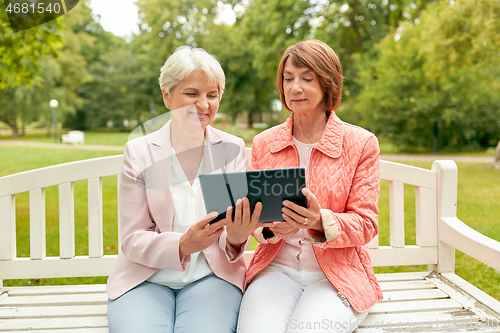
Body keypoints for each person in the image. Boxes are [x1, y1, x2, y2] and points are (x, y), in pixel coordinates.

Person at [106, 46, 262, 333]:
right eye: (191, 94)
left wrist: (238, 235)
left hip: (212, 279)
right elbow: (132, 238)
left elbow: (234, 240)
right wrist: (182, 245)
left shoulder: (233, 149)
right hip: (145, 280)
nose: (203, 105)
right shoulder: (139, 151)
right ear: (167, 96)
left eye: (212, 95)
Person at [237, 39, 383, 333]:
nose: (294, 87)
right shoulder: (265, 143)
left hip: (336, 276)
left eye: (307, 78)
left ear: (328, 83)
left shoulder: (362, 143)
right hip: (275, 270)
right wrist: (271, 228)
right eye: (288, 78)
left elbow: (366, 223)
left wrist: (319, 220)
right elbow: (256, 216)